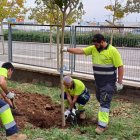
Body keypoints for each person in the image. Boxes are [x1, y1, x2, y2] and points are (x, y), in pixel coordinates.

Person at [62, 34, 124, 134]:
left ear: (103, 41)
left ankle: (102, 126)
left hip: (108, 83)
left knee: (104, 103)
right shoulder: (94, 49)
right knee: (101, 100)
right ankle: (102, 119)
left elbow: (120, 66)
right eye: (94, 44)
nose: (95, 45)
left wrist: (120, 82)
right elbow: (81, 51)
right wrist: (67, 49)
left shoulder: (113, 51)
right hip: (98, 82)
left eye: (97, 43)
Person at [0, 62, 27, 140]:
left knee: (4, 105)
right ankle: (12, 134)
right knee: (4, 107)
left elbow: (4, 96)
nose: (10, 75)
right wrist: (8, 93)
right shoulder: (3, 70)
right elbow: (2, 82)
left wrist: (12, 106)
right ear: (10, 70)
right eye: (11, 72)